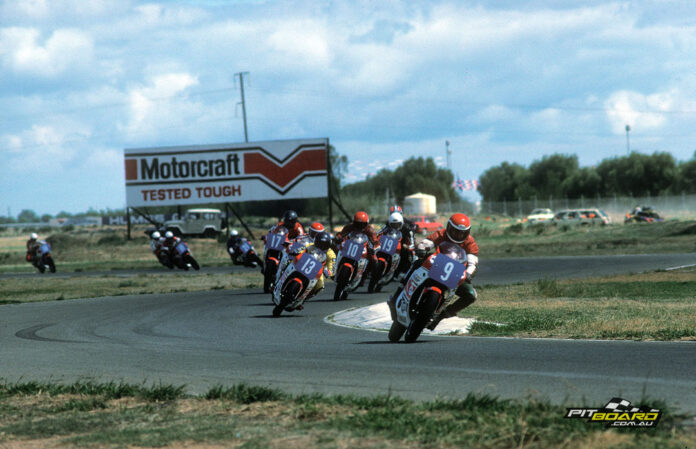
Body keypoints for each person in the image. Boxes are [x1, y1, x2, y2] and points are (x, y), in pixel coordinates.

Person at [391, 213, 479, 331]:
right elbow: (427, 242)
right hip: (436, 265)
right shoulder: (441, 233)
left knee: (471, 295)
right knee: (417, 263)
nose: (458, 235)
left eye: (462, 233)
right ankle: (400, 291)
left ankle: (441, 316)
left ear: (468, 232)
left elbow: (472, 262)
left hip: (455, 274)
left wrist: (468, 273)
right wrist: (422, 249)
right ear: (449, 227)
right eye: (455, 231)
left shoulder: (470, 242)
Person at [335, 211, 379, 283]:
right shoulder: (349, 227)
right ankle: (334, 268)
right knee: (336, 248)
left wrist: (374, 249)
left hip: (365, 246)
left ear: (366, 224)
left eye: (362, 224)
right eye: (357, 224)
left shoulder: (370, 230)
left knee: (374, 259)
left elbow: (376, 241)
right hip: (350, 244)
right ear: (354, 222)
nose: (360, 226)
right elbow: (340, 234)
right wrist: (338, 238)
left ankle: (368, 275)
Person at [377, 211, 414, 277]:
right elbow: (379, 233)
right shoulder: (387, 226)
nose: (395, 226)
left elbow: (412, 242)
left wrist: (408, 247)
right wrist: (376, 239)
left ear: (402, 223)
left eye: (398, 224)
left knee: (406, 257)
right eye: (393, 225)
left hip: (402, 245)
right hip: (389, 242)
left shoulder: (407, 229)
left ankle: (397, 273)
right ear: (390, 223)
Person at [306, 231, 336, 297]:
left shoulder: (331, 254)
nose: (321, 246)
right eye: (320, 244)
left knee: (320, 284)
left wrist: (327, 271)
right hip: (305, 265)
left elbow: (332, 268)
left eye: (324, 245)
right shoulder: (310, 246)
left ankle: (308, 296)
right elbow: (300, 250)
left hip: (318, 271)